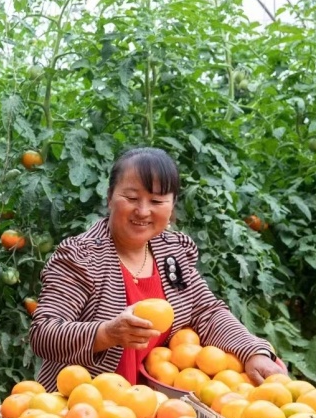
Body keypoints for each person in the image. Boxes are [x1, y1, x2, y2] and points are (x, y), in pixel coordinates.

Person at [29, 147, 285, 390]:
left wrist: (253, 351)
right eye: (131, 198)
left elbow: (206, 312)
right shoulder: (82, 257)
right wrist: (107, 333)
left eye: (156, 200)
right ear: (109, 197)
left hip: (157, 411)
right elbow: (44, 333)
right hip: (84, 408)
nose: (142, 211)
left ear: (172, 206)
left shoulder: (172, 253)